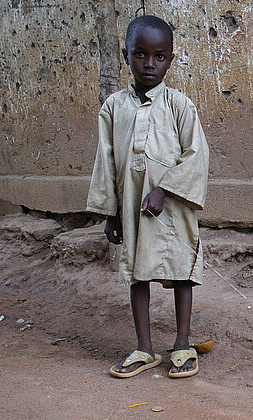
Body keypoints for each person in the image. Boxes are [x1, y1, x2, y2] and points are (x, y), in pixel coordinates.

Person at [86, 15, 209, 379]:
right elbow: (106, 160)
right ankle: (144, 348)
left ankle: (183, 344)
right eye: (141, 54)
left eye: (159, 57)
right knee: (137, 273)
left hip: (170, 205)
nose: (149, 64)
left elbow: (196, 154)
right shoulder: (113, 107)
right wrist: (111, 212)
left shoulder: (179, 105)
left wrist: (162, 189)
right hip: (131, 206)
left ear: (170, 59)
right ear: (126, 55)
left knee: (180, 271)